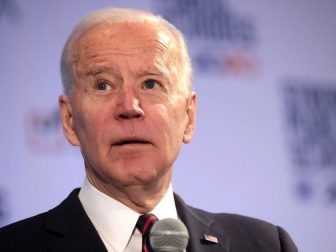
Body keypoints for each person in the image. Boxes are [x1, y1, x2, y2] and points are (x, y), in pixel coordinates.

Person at [0, 7, 297, 252]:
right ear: (69, 120)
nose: (130, 106)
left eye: (151, 84)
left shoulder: (265, 245)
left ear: (189, 116)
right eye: (103, 85)